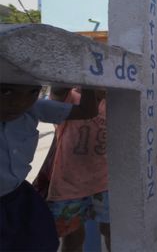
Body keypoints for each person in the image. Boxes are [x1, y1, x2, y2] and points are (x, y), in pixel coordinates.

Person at [0, 83, 97, 251]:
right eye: (5, 91)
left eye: (33, 91)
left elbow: (87, 111)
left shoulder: (33, 109)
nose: (19, 102)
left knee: (43, 243)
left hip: (17, 197)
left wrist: (87, 75)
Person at [45, 88, 111, 252]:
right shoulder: (70, 97)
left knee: (113, 231)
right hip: (69, 186)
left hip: (105, 184)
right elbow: (57, 90)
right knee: (73, 239)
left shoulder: (114, 103)